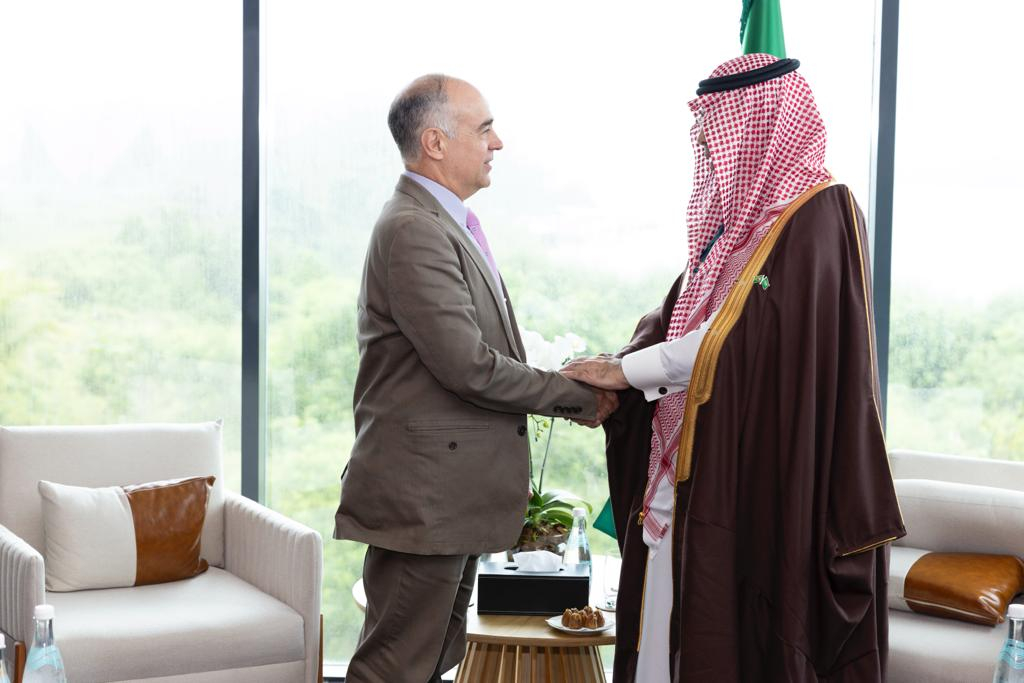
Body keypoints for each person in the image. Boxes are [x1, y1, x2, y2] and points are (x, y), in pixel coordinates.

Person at [561, 54, 906, 682]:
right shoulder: (733, 230)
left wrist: (626, 374)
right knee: (668, 631)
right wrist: (619, 368)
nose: (707, 152)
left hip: (763, 472)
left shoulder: (818, 216)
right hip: (693, 471)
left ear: (759, 126)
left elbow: (742, 339)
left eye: (714, 136)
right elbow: (679, 319)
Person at [333, 74, 618, 683]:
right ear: (435, 142)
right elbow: (468, 366)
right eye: (484, 129)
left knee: (432, 660)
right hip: (425, 501)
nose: (498, 143)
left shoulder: (442, 221)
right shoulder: (414, 228)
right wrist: (576, 396)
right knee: (394, 667)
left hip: (449, 499)